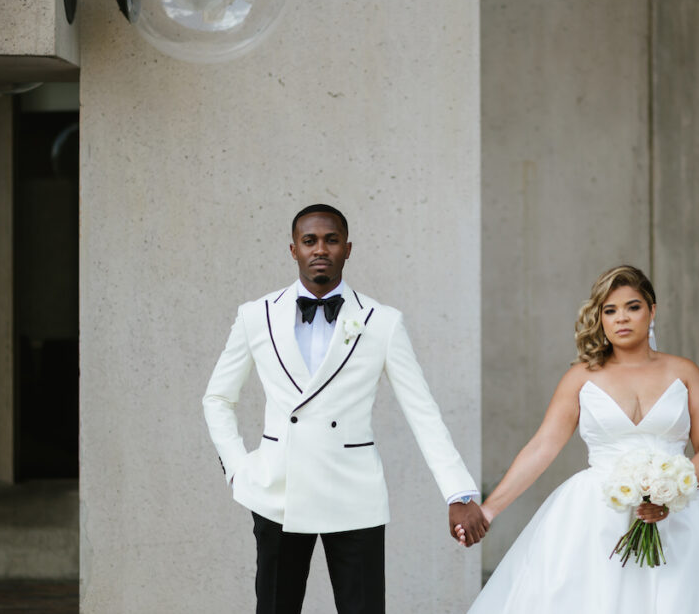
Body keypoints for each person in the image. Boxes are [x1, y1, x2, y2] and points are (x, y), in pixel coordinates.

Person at [203, 204, 488, 614]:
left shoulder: (382, 321)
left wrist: (457, 492)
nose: (321, 249)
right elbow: (217, 398)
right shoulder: (255, 316)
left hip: (354, 493)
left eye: (331, 240)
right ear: (293, 250)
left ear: (347, 248)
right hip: (277, 491)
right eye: (310, 241)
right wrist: (237, 467)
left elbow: (423, 412)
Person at [465, 265, 699, 613]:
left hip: (679, 516)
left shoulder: (684, 372)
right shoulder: (580, 377)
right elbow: (542, 446)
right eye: (610, 310)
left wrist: (672, 494)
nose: (621, 318)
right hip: (594, 515)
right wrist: (489, 510)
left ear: (652, 311)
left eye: (632, 306)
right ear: (600, 318)